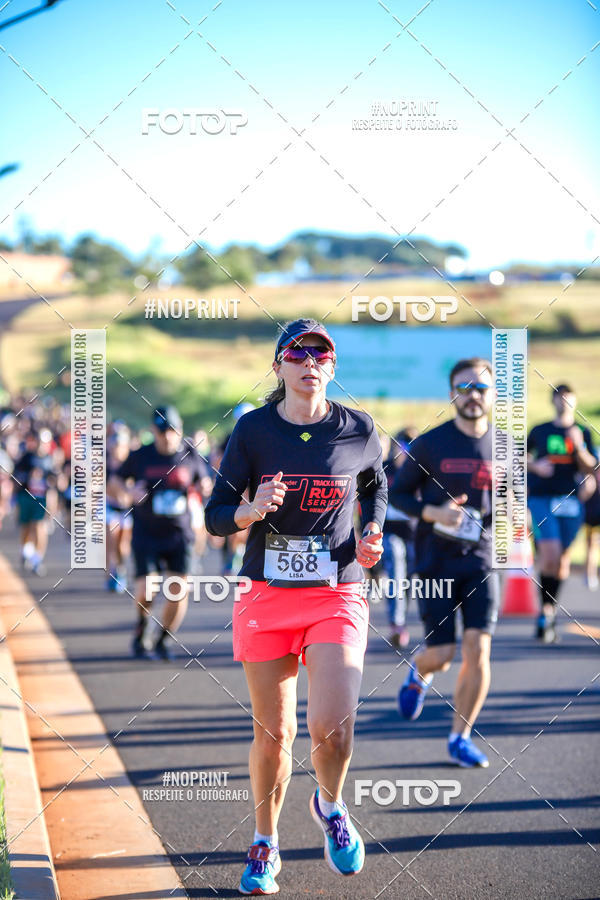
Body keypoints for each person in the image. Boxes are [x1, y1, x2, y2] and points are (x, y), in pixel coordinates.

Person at [204, 318, 386, 895]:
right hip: (266, 594)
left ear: (332, 367)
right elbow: (214, 516)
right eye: (297, 353)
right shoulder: (253, 430)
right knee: (274, 733)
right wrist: (251, 509)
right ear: (278, 366)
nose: (310, 362)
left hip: (336, 590)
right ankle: (266, 842)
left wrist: (373, 529)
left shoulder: (359, 428)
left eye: (321, 354)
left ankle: (329, 805)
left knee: (334, 730)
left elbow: (375, 485)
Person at [390, 358, 498, 768]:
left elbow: (511, 501)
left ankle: (460, 738)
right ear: (452, 394)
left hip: (481, 560)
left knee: (479, 649)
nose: (473, 396)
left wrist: (518, 519)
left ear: (491, 395)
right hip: (435, 561)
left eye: (480, 388)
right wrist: (435, 513)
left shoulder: (506, 446)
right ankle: (420, 671)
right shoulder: (430, 444)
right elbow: (398, 495)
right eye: (464, 388)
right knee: (444, 654)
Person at [109, 405, 208, 660]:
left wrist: (205, 488)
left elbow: (204, 482)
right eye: (163, 431)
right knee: (146, 591)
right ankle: (143, 625)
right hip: (147, 533)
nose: (168, 436)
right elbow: (115, 481)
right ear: (153, 431)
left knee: (178, 592)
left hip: (179, 534)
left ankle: (164, 637)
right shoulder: (141, 455)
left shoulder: (190, 454)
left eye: (173, 430)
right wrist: (129, 492)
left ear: (180, 429)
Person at [527, 384, 596, 642]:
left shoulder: (582, 432)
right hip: (542, 499)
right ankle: (545, 612)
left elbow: (591, 467)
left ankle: (550, 610)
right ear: (553, 400)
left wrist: (579, 447)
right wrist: (536, 466)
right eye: (560, 397)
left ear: (575, 402)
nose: (564, 402)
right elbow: (518, 457)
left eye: (569, 398)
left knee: (562, 561)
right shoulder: (540, 430)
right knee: (550, 555)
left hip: (571, 501)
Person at [381, 427, 418, 649]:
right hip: (389, 531)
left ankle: (401, 619)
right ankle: (397, 624)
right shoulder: (384, 469)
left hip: (414, 534)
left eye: (410, 448)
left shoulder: (420, 471)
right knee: (396, 568)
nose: (405, 452)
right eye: (402, 446)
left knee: (409, 579)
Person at [13, 430, 57, 576]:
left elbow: (55, 481)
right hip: (27, 497)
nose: (42, 445)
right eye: (40, 442)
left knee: (39, 527)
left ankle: (37, 560)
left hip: (41, 498)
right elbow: (16, 475)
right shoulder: (27, 457)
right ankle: (25, 551)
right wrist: (28, 476)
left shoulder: (51, 460)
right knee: (26, 528)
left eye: (45, 443)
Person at [105, 422, 133, 593]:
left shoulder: (131, 463)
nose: (117, 448)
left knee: (122, 545)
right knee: (111, 539)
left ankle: (121, 570)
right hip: (108, 506)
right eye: (115, 445)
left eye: (121, 445)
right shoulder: (105, 463)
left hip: (126, 509)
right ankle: (110, 573)